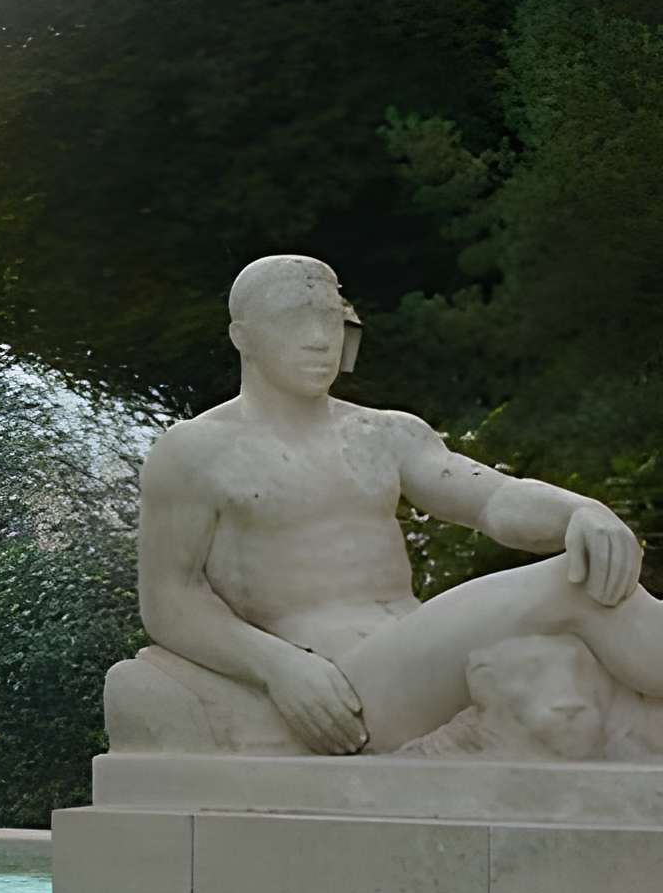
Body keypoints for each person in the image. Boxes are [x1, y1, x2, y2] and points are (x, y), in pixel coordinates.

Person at [110, 253, 662, 756]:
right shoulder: (194, 451)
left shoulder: (385, 433)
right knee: (577, 584)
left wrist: (580, 512)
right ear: (242, 337)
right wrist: (277, 668)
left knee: (592, 598)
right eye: (293, 321)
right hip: (340, 688)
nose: (318, 340)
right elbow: (170, 602)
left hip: (415, 661)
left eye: (330, 320)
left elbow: (493, 499)